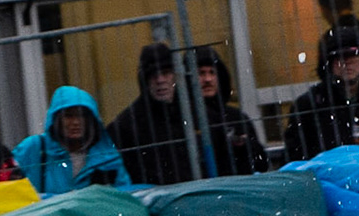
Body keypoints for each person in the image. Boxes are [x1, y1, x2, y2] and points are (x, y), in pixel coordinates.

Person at [282, 26, 359, 162]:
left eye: (354, 54)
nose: (347, 62)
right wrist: (337, 156)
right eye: (338, 57)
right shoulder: (308, 105)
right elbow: (295, 155)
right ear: (328, 64)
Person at [14, 85, 131, 195]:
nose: (75, 122)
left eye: (82, 115)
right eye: (69, 116)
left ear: (92, 120)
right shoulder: (34, 148)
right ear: (56, 119)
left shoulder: (106, 155)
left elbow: (123, 195)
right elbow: (10, 184)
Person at [108, 43, 196, 186]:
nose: (160, 80)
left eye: (165, 73)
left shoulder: (196, 114)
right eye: (153, 75)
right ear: (145, 79)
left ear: (175, 76)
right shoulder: (125, 126)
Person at [195, 47, 269, 177]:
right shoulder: (184, 120)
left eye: (212, 72)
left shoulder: (236, 117)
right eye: (201, 73)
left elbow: (262, 163)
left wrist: (243, 146)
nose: (207, 79)